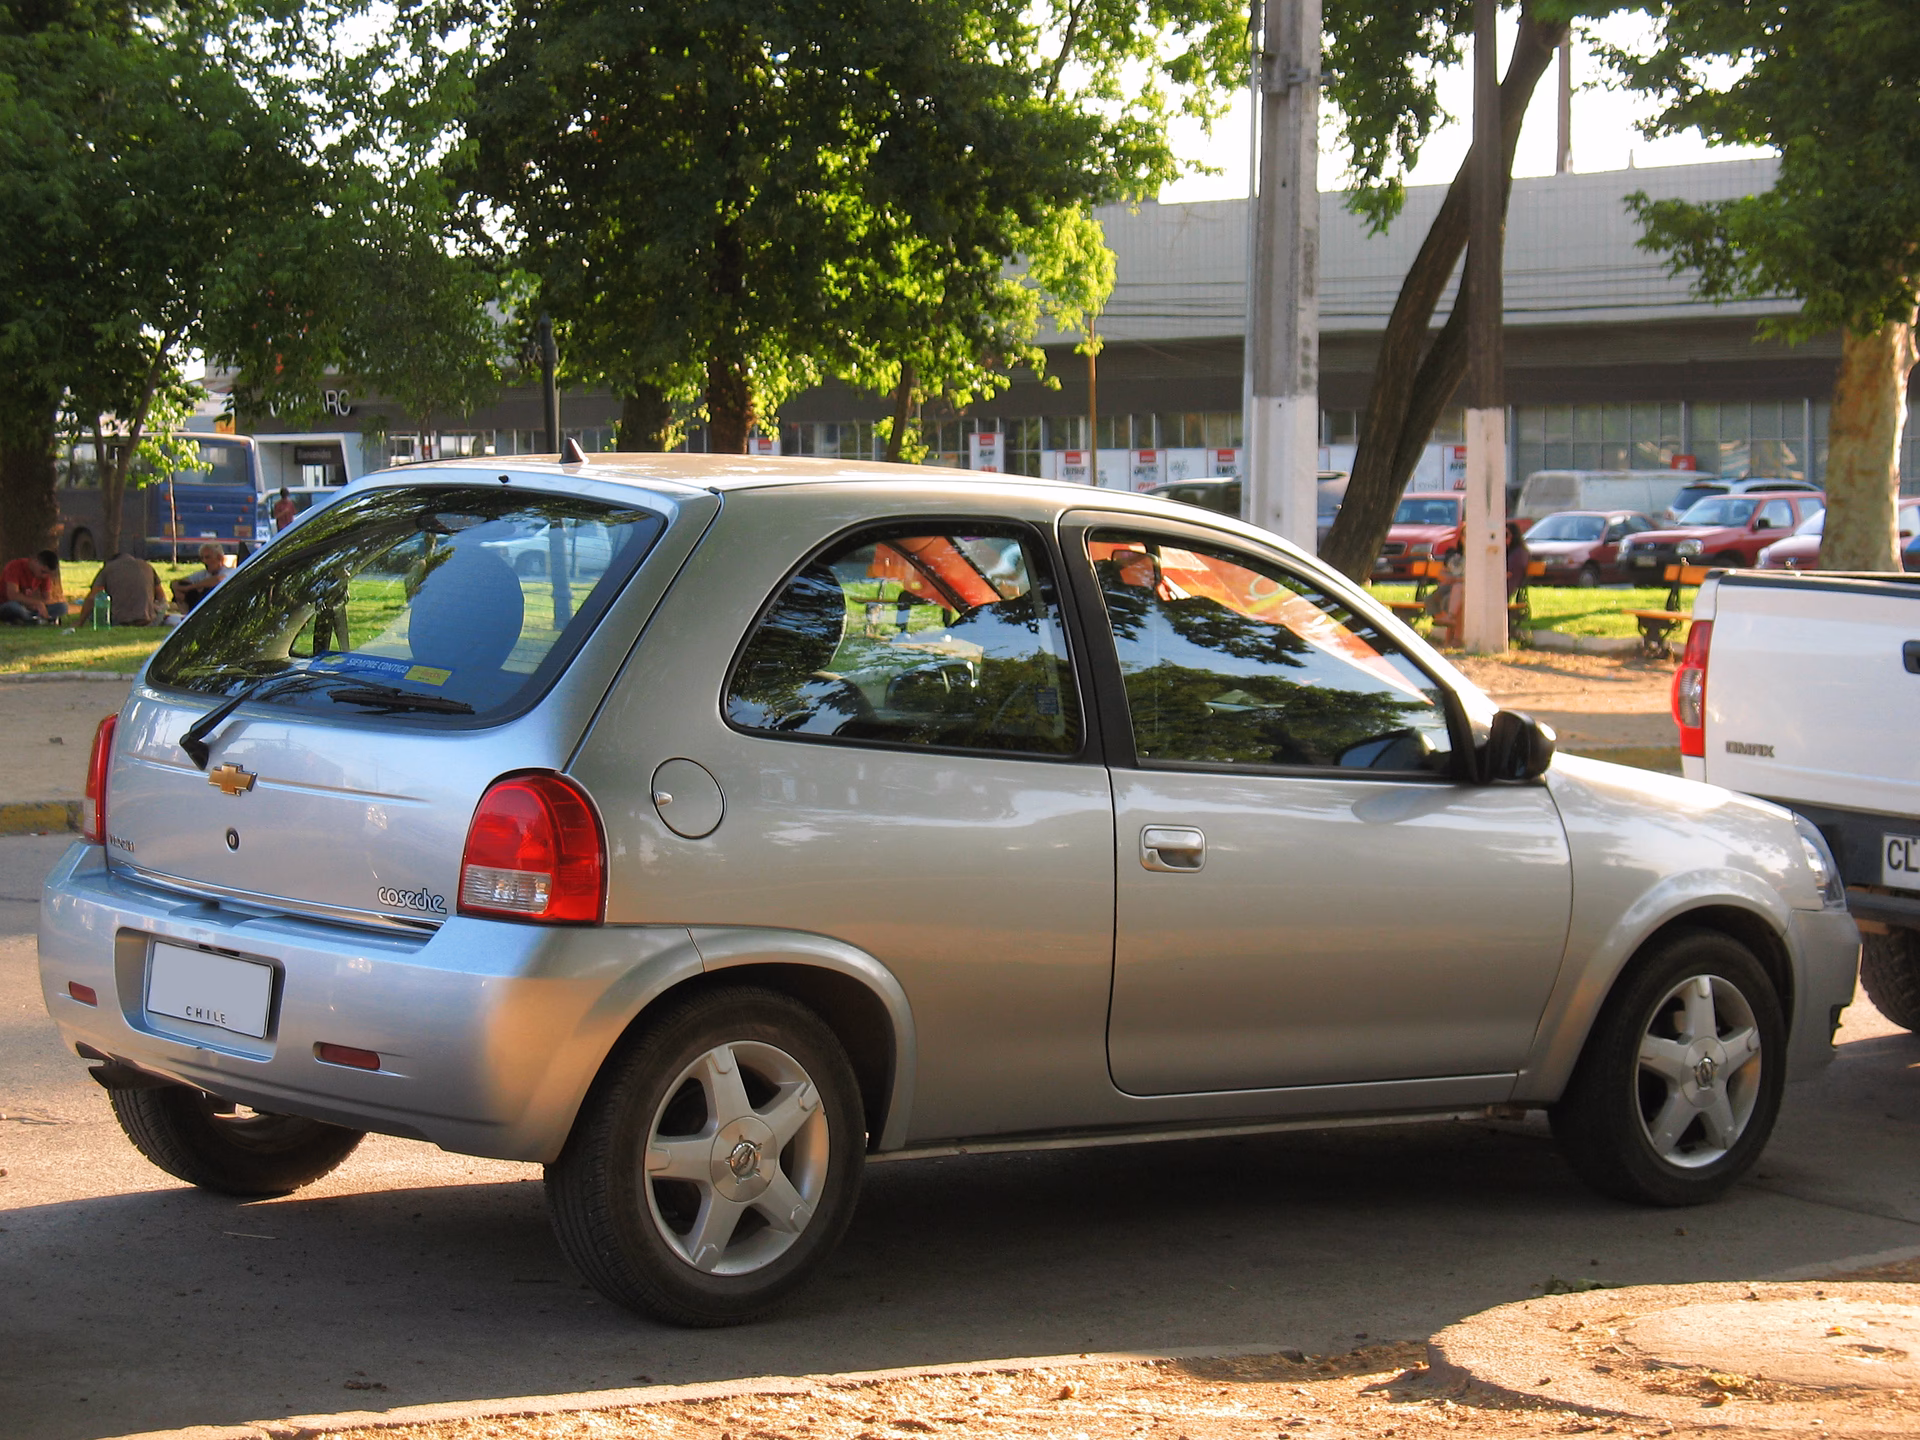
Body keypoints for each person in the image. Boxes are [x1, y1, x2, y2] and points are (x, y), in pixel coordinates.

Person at [83, 550, 167, 626]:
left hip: (119, 621)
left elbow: (93, 597)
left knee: (94, 612)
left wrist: (80, 622)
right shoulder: (147, 566)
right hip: (149, 621)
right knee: (161, 606)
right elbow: (161, 597)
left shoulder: (108, 568)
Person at [0, 550, 68, 625]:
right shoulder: (14, 567)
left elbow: (46, 598)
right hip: (7, 604)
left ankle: (30, 619)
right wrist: (37, 603)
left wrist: (38, 605)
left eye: (47, 574)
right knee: (13, 607)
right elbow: (12, 595)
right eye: (43, 572)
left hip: (30, 608)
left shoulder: (44, 577)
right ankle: (33, 619)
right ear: (35, 561)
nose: (44, 576)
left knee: (62, 607)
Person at [170, 543, 231, 611]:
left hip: (219, 606)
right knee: (182, 585)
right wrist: (177, 591)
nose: (204, 561)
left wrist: (188, 588)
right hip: (196, 606)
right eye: (202, 558)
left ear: (219, 558)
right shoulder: (202, 573)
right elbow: (176, 582)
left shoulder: (229, 571)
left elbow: (218, 580)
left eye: (207, 557)